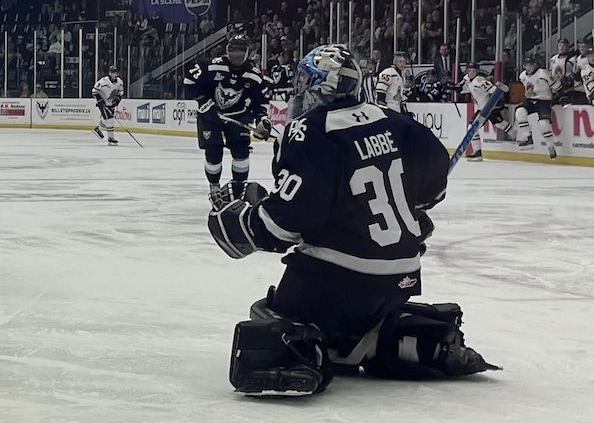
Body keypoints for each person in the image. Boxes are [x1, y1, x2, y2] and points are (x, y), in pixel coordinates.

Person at [206, 44, 498, 397]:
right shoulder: (399, 123)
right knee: (361, 316)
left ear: (322, 86)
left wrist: (243, 222)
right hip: (401, 278)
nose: (300, 90)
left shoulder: (310, 132)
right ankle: (404, 340)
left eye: (305, 82)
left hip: (336, 281)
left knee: (268, 312)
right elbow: (432, 193)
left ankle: (313, 353)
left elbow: (288, 223)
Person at [183, 32, 272, 209]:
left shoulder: (254, 76)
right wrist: (203, 101)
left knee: (241, 152)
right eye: (233, 50)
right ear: (226, 50)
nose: (236, 54)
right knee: (213, 152)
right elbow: (189, 81)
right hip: (210, 117)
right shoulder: (211, 66)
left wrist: (262, 120)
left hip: (239, 116)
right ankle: (214, 188)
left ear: (248, 52)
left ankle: (238, 189)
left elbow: (261, 102)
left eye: (240, 50)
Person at [459, 62, 512, 161]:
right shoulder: (466, 78)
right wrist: (453, 87)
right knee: (500, 124)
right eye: (469, 71)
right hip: (483, 108)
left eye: (473, 71)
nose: (471, 73)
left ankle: (477, 152)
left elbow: (494, 91)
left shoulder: (480, 81)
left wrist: (498, 103)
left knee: (472, 128)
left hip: (487, 109)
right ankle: (516, 134)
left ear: (477, 71)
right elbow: (463, 88)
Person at [516, 57, 557, 159]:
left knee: (543, 124)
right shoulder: (522, 76)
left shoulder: (543, 73)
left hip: (544, 100)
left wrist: (559, 96)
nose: (528, 67)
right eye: (526, 65)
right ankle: (528, 138)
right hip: (530, 100)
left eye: (530, 65)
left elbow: (557, 85)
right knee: (520, 111)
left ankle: (550, 147)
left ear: (535, 65)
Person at [91, 64, 124, 146]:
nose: (115, 74)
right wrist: (100, 100)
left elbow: (120, 93)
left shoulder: (120, 82)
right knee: (109, 118)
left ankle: (98, 129)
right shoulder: (103, 81)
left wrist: (117, 100)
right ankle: (111, 138)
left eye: (116, 72)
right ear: (109, 73)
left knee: (106, 119)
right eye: (113, 72)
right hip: (102, 103)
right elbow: (94, 90)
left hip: (111, 103)